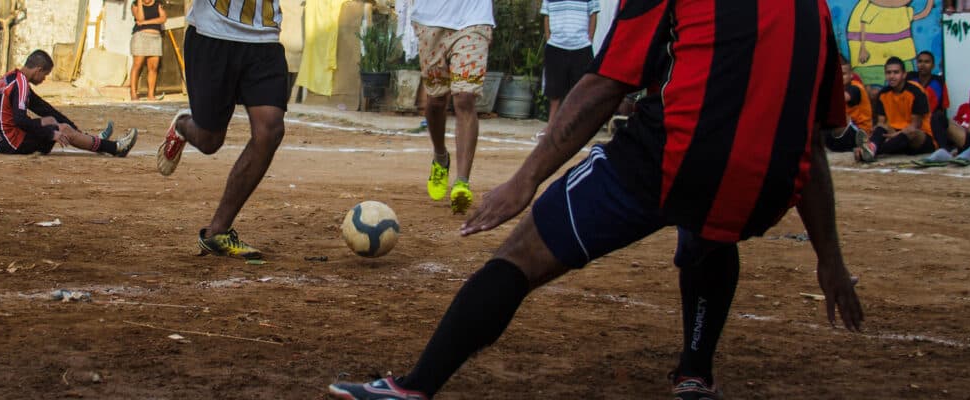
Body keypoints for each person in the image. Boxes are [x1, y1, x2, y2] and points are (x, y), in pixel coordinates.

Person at [327, 0, 864, 398]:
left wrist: (525, 180)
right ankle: (695, 374)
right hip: (765, 188)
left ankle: (415, 386)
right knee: (712, 221)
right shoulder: (814, 10)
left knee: (522, 253)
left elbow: (604, 87)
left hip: (667, 163)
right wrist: (831, 261)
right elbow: (815, 142)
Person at [155, 0, 288, 260]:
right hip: (213, 34)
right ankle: (183, 125)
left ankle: (217, 232)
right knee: (209, 140)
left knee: (270, 130)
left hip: (265, 38)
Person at [412, 0, 495, 214]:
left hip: (474, 20)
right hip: (430, 22)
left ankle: (462, 183)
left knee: (465, 97)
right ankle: (440, 157)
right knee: (436, 101)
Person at [0, 51, 137, 157]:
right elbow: (20, 120)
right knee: (60, 129)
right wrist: (51, 132)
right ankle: (115, 148)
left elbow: (42, 108)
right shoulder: (21, 83)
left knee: (52, 120)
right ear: (38, 70)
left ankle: (89, 139)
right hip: (9, 143)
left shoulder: (11, 78)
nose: (44, 79)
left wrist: (65, 126)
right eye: (45, 75)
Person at [857, 57, 936, 162]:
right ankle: (871, 148)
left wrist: (896, 135)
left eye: (896, 72)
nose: (892, 76)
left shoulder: (916, 91)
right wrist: (877, 133)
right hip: (896, 135)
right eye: (888, 73)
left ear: (904, 75)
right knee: (881, 128)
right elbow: (881, 123)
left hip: (920, 137)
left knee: (910, 132)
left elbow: (915, 125)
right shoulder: (883, 94)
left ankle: (872, 151)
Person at [541, 0, 600, 121]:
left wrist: (589, 39)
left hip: (581, 46)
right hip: (556, 45)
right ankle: (551, 126)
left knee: (580, 90)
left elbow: (593, 14)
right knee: (554, 90)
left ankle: (574, 126)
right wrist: (549, 39)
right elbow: (546, 15)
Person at [827, 54, 873, 152]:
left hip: (859, 133)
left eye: (843, 74)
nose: (839, 77)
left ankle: (864, 145)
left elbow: (842, 99)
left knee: (835, 112)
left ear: (851, 75)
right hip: (841, 138)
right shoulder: (836, 89)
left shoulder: (855, 88)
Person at [907, 51, 951, 149]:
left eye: (927, 62)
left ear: (933, 65)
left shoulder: (938, 82)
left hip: (930, 124)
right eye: (920, 61)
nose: (922, 65)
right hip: (910, 121)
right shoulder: (910, 78)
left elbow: (941, 108)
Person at [129, 0, 168, 101]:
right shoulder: (135, 5)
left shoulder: (158, 3)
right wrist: (140, 3)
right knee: (137, 65)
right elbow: (140, 18)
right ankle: (133, 93)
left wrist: (146, 22)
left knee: (153, 67)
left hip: (155, 37)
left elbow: (163, 19)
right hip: (140, 36)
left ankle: (151, 94)